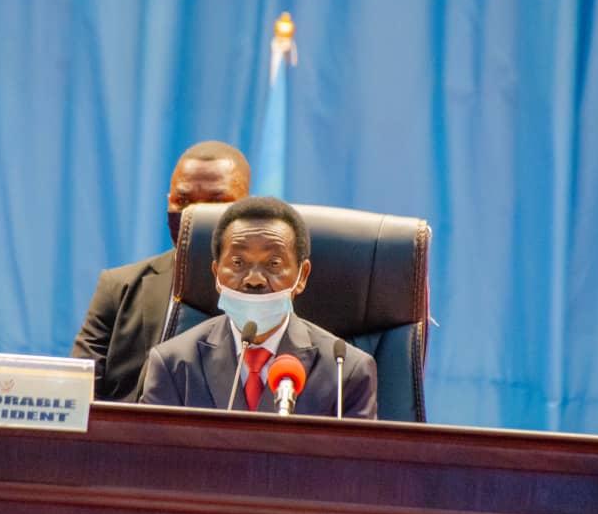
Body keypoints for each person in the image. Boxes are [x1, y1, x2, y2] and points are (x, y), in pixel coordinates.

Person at [140, 197, 377, 418]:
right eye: (238, 263)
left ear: (302, 276)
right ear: (216, 273)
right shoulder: (173, 363)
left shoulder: (346, 371)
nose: (254, 279)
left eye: (273, 263)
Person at [71, 141, 251, 402]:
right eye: (183, 201)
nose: (195, 215)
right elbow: (78, 395)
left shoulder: (274, 296)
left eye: (216, 202)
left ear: (247, 207)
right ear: (169, 201)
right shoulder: (119, 287)